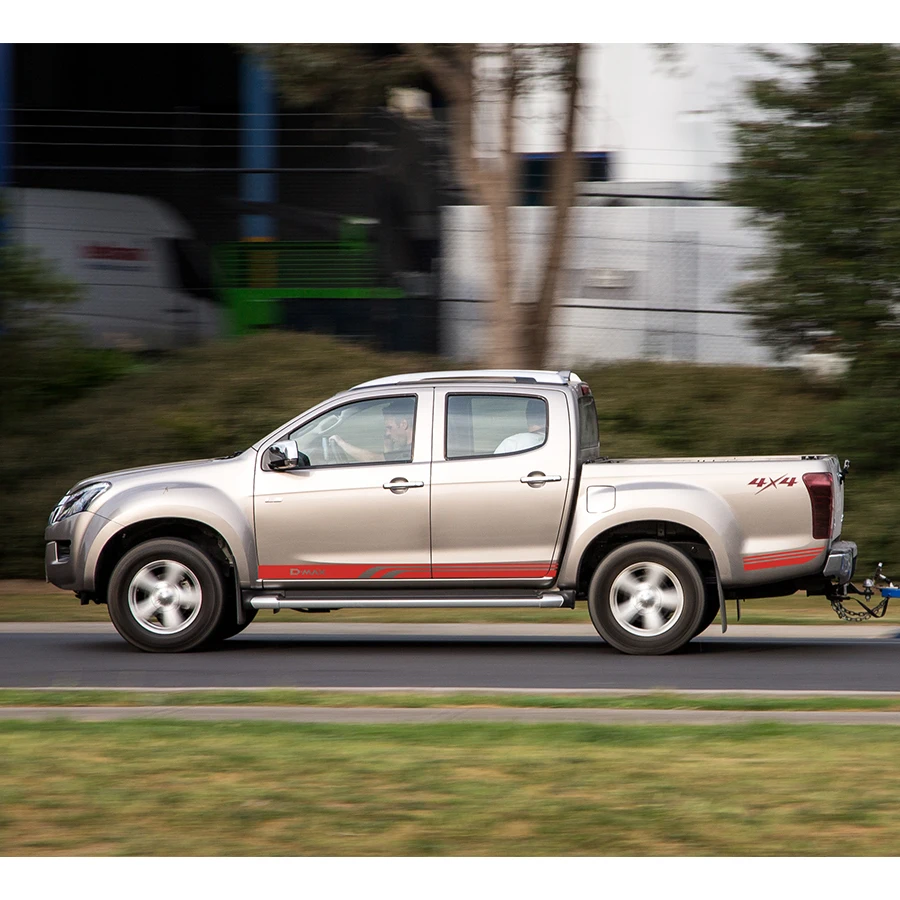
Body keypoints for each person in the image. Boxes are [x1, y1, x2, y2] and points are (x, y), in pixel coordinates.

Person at [328, 399, 414, 463]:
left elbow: (374, 459)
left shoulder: (408, 452)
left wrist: (340, 442)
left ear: (403, 424)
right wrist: (388, 446)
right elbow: (387, 465)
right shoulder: (412, 449)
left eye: (390, 428)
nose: (387, 433)